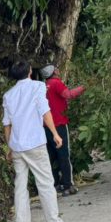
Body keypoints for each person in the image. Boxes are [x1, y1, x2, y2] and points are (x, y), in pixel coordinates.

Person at [2, 61, 73, 222]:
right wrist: (55, 134)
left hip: (17, 147)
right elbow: (45, 112)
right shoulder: (38, 87)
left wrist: (9, 147)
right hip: (35, 144)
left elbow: (7, 124)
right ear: (29, 72)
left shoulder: (8, 95)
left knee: (20, 186)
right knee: (45, 183)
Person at [40, 63, 86, 195]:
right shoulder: (56, 83)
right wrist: (84, 87)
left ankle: (55, 184)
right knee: (64, 155)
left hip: (46, 126)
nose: (58, 70)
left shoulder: (43, 86)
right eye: (57, 69)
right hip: (59, 124)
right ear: (54, 71)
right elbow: (68, 94)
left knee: (52, 156)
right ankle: (67, 185)